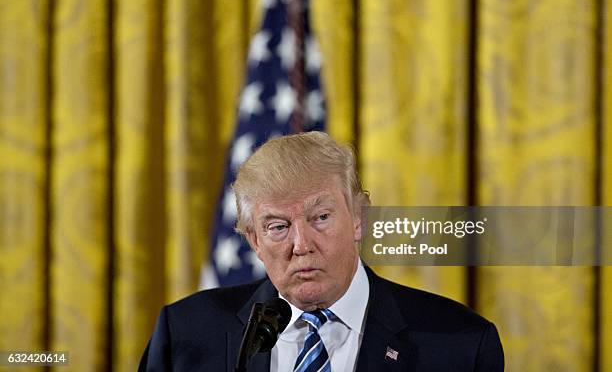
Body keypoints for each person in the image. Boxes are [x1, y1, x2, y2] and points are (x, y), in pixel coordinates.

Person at [139, 131, 504, 371]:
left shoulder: (461, 346)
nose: (302, 245)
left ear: (358, 219)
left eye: (321, 217)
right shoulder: (185, 337)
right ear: (254, 241)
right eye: (278, 227)